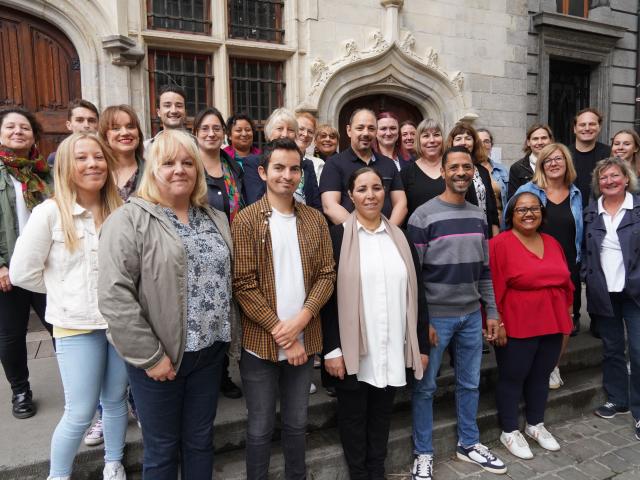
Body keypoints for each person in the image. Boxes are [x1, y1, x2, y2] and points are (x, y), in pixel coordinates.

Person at [98, 129, 237, 479]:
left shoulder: (214, 217)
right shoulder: (128, 220)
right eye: (169, 163)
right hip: (162, 359)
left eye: (188, 162)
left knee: (200, 442)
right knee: (161, 450)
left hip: (209, 353)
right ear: (152, 169)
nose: (180, 170)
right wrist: (150, 357)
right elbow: (115, 296)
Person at [10, 133, 127, 480]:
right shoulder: (49, 213)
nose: (93, 164)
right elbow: (21, 272)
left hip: (118, 325)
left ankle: (113, 462)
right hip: (76, 326)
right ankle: (58, 475)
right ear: (65, 166)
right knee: (80, 411)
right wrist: (62, 292)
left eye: (99, 157)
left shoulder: (120, 212)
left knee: (116, 401)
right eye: (82, 158)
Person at [231, 138, 335, 479]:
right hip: (261, 345)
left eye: (294, 168)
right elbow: (244, 284)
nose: (287, 175)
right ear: (263, 172)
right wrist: (283, 335)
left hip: (305, 340)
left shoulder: (314, 220)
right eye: (279, 167)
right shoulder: (247, 221)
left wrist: (302, 321)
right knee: (260, 428)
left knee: (296, 423)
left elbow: (326, 275)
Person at [322, 167, 429, 480]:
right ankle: (359, 474)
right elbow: (326, 298)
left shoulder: (400, 238)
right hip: (353, 348)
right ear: (351, 195)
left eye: (376, 189)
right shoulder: (338, 237)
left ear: (385, 194)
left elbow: (418, 294)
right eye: (362, 189)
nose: (370, 195)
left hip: (391, 343)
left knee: (382, 415)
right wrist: (332, 350)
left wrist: (421, 344)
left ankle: (376, 471)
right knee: (354, 417)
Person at [408, 146, 506, 479]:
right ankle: (422, 452)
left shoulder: (479, 215)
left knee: (470, 383)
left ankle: (469, 442)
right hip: (437, 317)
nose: (462, 172)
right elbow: (413, 277)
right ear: (444, 172)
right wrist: (422, 325)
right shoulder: (422, 216)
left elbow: (485, 271)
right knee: (425, 388)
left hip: (470, 316)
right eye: (455, 167)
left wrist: (491, 311)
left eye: (467, 167)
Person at [490, 192, 573, 460]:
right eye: (521, 209)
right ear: (511, 215)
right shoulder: (499, 244)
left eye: (534, 209)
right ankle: (509, 430)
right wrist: (497, 322)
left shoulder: (552, 242)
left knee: (542, 374)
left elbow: (566, 282)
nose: (528, 214)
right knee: (513, 377)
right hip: (516, 322)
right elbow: (492, 287)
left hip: (552, 319)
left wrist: (567, 314)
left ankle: (535, 424)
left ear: (542, 213)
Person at [512, 143, 583, 387]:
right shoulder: (528, 190)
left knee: (564, 319)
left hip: (566, 265)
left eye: (558, 159)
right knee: (536, 318)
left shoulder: (575, 193)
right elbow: (510, 223)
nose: (553, 164)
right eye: (548, 160)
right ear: (541, 164)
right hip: (534, 266)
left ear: (567, 164)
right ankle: (532, 365)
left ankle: (553, 365)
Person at [0, 107, 53, 419]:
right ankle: (20, 390)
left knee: (61, 329)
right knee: (11, 334)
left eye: (24, 127)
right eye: (10, 127)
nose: (18, 131)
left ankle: (79, 386)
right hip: (8, 271)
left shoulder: (42, 174)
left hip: (46, 267)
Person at [583, 157, 640, 442]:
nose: (609, 181)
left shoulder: (638, 209)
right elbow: (585, 249)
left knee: (639, 351)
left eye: (615, 176)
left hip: (635, 293)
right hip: (604, 292)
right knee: (612, 348)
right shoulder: (592, 213)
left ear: (626, 179)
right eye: (603, 178)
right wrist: (587, 275)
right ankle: (618, 399)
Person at [193, 107, 245, 400]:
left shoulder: (231, 166)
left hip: (233, 245)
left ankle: (224, 372)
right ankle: (210, 374)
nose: (211, 134)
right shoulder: (190, 166)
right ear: (196, 134)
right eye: (205, 129)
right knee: (208, 312)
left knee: (228, 313)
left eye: (216, 128)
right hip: (204, 252)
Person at [320, 108, 407, 226]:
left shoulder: (388, 164)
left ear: (376, 132)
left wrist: (388, 232)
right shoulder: (334, 164)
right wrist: (362, 233)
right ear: (349, 130)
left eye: (371, 128)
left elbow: (401, 204)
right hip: (350, 237)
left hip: (387, 237)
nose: (366, 133)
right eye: (360, 128)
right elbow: (330, 206)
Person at [243, 108, 321, 210]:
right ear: (269, 133)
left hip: (307, 223)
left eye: (290, 130)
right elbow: (256, 202)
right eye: (279, 128)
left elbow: (316, 205)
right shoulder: (254, 163)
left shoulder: (307, 165)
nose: (285, 134)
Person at [445, 122, 500, 237]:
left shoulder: (483, 171)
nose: (464, 142)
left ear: (474, 142)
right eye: (458, 138)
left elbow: (492, 210)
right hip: (459, 232)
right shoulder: (447, 171)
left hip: (485, 232)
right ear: (452, 143)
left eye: (468, 138)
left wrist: (495, 239)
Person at [98, 105, 145, 201]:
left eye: (130, 127)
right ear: (105, 137)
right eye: (115, 128)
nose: (125, 132)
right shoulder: (96, 172)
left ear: (138, 134)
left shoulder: (154, 170)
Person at [400, 119, 445, 219]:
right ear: (418, 140)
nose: (432, 140)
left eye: (436, 135)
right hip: (418, 232)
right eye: (426, 136)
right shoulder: (406, 173)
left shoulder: (453, 168)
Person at [569, 108, 610, 207]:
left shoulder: (609, 154)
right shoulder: (564, 155)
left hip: (601, 213)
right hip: (570, 214)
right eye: (582, 125)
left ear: (599, 127)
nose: (587, 128)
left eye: (592, 124)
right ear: (575, 129)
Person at [46, 99, 100, 166]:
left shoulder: (108, 154)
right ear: (69, 125)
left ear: (98, 125)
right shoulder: (56, 158)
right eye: (80, 120)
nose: (86, 125)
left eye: (91, 121)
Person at [508, 124, 553, 199]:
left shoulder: (559, 164)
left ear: (550, 140)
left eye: (544, 138)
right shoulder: (517, 168)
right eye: (535, 139)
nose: (540, 142)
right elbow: (513, 199)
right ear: (528, 142)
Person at [477, 128, 509, 226]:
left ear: (491, 145)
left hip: (501, 223)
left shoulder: (502, 170)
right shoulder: (468, 169)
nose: (483, 145)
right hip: (477, 223)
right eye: (479, 141)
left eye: (486, 141)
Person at [296, 111, 325, 180]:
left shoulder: (318, 164)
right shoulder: (278, 158)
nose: (305, 134)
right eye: (301, 129)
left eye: (310, 131)